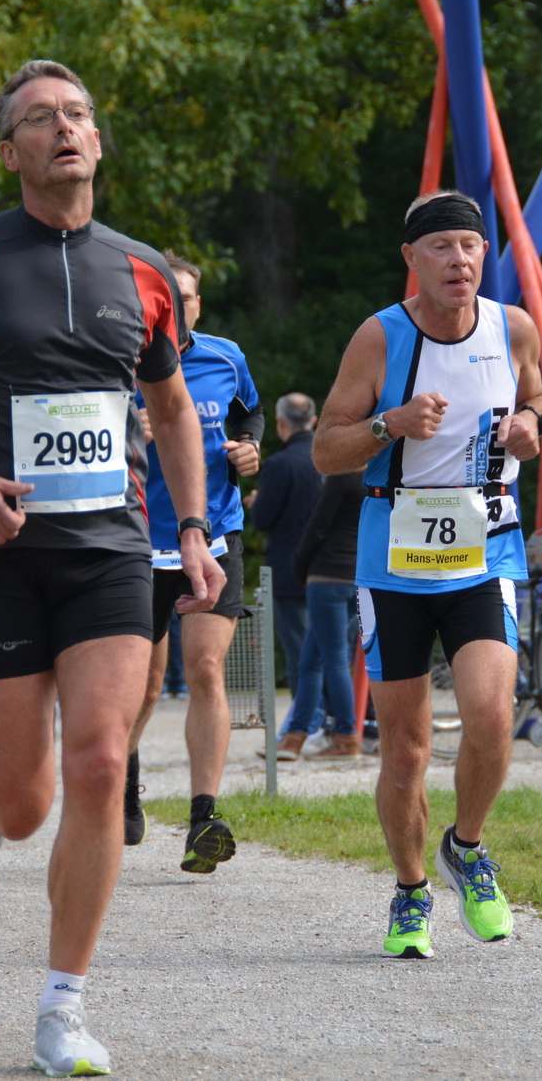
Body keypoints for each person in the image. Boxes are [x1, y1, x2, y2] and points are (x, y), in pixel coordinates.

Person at [0, 59, 222, 1078]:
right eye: (38, 119)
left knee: (102, 763)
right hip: (2, 553)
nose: (62, 129)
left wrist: (190, 528)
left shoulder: (143, 271)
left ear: (97, 141)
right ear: (10, 150)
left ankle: (63, 1008)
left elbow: (172, 408)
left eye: (77, 115)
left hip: (110, 551)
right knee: (21, 809)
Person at [311, 190, 542, 960]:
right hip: (396, 564)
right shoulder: (379, 339)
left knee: (489, 713)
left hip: (486, 551)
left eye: (470, 247)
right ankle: (411, 891)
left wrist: (530, 427)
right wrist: (391, 424)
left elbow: (540, 397)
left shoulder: (512, 327)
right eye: (441, 247)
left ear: (486, 256)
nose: (459, 260)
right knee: (406, 749)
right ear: (411, 260)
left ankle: (468, 848)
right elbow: (324, 447)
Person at [123, 252, 262, 866]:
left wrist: (250, 448)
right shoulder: (122, 361)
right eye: (167, 296)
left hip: (213, 536)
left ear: (197, 306)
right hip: (135, 539)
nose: (178, 307)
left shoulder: (225, 356)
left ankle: (203, 817)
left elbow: (249, 412)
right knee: (144, 686)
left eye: (188, 297)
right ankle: (123, 781)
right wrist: (133, 429)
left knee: (205, 668)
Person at [278, 468, 369, 760]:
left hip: (327, 573)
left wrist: (299, 566)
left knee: (333, 661)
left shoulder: (342, 475)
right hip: (356, 575)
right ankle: (295, 736)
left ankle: (346, 736)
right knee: (312, 661)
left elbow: (319, 523)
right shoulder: (377, 475)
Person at [249, 392, 321, 705]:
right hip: (337, 569)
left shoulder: (280, 464)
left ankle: (306, 723)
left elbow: (263, 520)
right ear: (314, 420)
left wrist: (255, 504)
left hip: (290, 570)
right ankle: (342, 725)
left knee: (300, 652)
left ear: (280, 423)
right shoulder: (336, 461)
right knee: (336, 653)